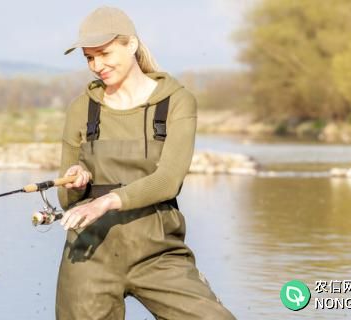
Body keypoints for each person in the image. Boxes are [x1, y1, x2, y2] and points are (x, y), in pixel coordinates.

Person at [55, 6, 235, 320]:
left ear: (132, 45)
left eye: (104, 53)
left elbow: (168, 181)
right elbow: (65, 200)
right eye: (89, 57)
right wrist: (75, 180)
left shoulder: (177, 101)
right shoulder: (81, 109)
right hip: (89, 254)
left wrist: (106, 202)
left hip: (157, 251)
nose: (97, 65)